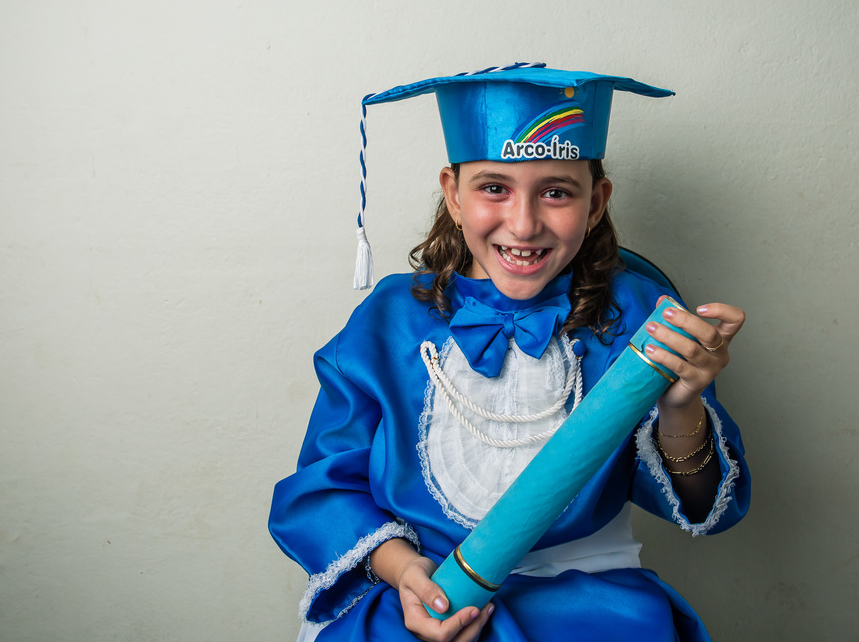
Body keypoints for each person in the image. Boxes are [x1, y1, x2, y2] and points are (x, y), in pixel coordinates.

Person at [270, 63, 750, 642]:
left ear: (596, 202)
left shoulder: (642, 313)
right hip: (421, 597)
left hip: (591, 607)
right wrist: (408, 576)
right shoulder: (388, 319)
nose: (523, 226)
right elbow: (326, 482)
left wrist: (681, 406)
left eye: (556, 192)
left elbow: (706, 509)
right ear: (452, 192)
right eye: (494, 188)